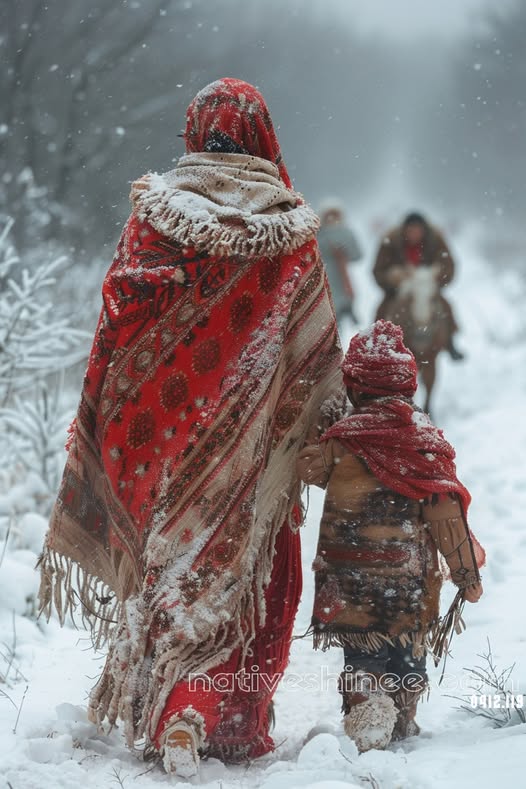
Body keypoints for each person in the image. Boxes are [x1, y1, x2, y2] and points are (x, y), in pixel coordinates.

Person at [38, 78, 345, 777]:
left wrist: (122, 419)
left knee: (172, 574)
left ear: (194, 132)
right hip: (252, 446)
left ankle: (175, 705)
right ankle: (214, 714)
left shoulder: (154, 217)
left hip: (162, 445)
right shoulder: (288, 228)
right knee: (247, 575)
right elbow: (314, 353)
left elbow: (117, 326)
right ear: (263, 136)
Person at [297, 320, 485, 753]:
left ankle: (366, 706)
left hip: (348, 578)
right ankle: (401, 712)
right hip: (408, 581)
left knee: (361, 654)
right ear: (407, 386)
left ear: (355, 387)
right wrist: (466, 575)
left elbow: (307, 467)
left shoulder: (344, 442)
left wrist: (322, 430)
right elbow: (447, 518)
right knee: (407, 651)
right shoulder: (424, 444)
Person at [373, 212, 464, 360]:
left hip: (428, 287)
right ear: (404, 231)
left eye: (418, 231)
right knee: (382, 312)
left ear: (424, 231)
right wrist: (393, 279)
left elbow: (449, 267)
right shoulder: (391, 241)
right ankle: (377, 347)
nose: (414, 234)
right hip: (398, 290)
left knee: (445, 308)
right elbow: (378, 270)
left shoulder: (436, 240)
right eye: (411, 231)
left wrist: (436, 276)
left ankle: (450, 343)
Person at [317, 201, 362, 327]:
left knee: (337, 321)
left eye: (335, 215)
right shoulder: (318, 233)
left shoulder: (346, 233)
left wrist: (343, 253)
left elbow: (357, 255)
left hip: (341, 281)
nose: (332, 219)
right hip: (324, 278)